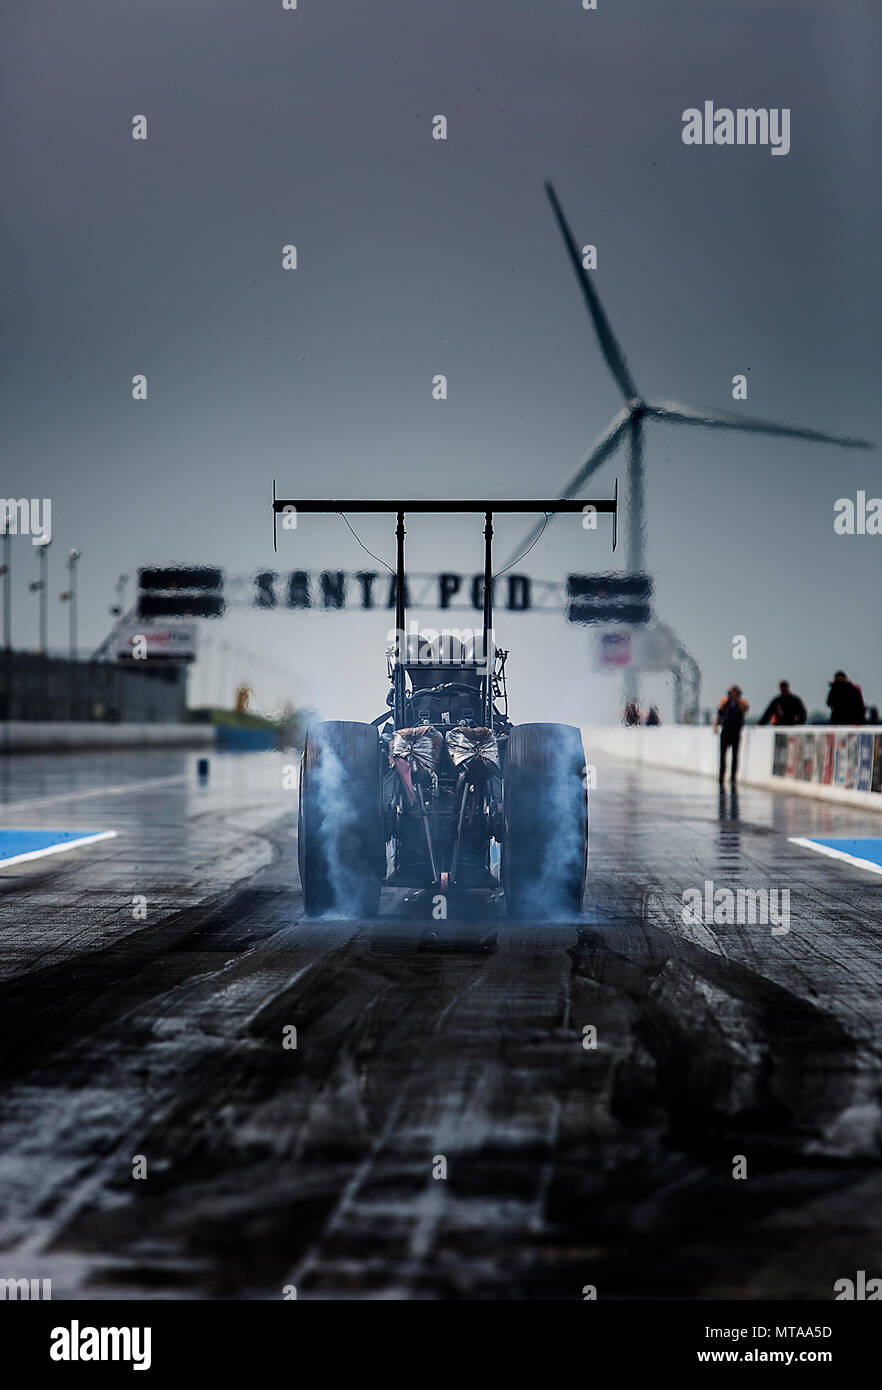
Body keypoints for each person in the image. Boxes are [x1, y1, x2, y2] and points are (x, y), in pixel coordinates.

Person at [715, 685, 749, 785]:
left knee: (735, 755)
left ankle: (733, 776)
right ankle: (721, 775)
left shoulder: (742, 702)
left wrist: (737, 700)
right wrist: (716, 724)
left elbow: (745, 710)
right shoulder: (724, 701)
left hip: (736, 731)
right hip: (725, 730)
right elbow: (719, 713)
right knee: (722, 755)